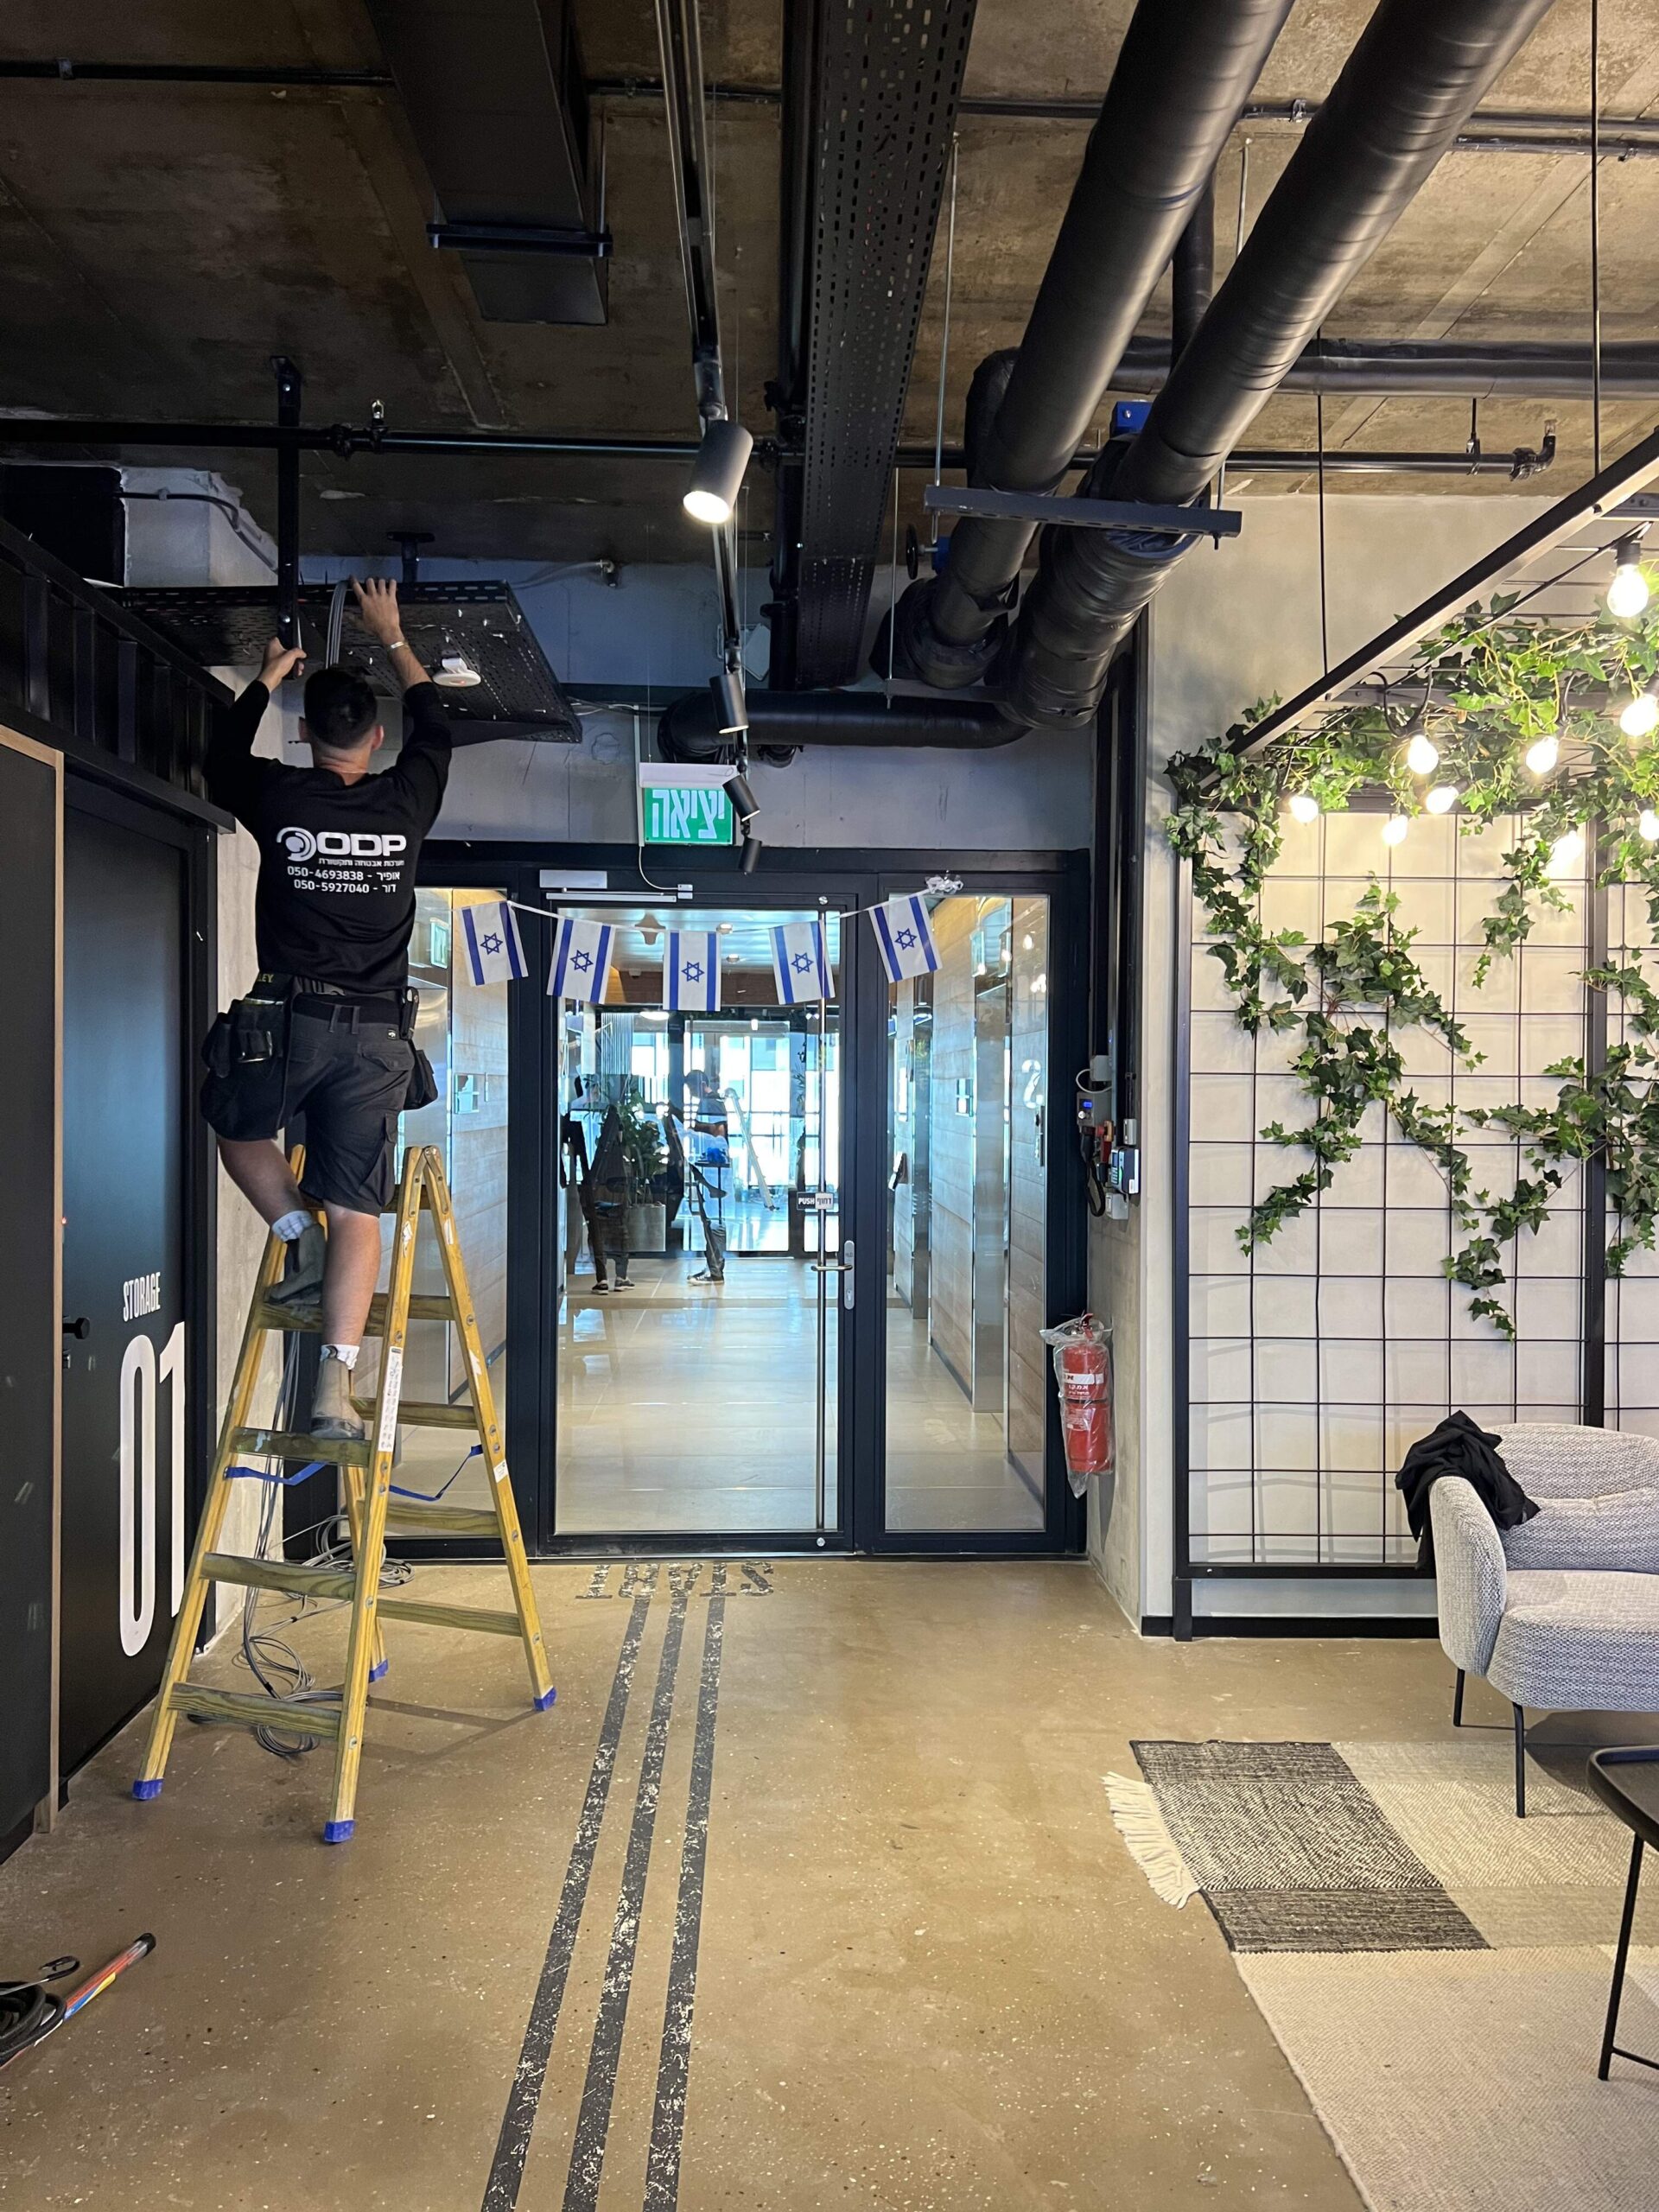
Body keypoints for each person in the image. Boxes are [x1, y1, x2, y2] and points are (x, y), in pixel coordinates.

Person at [200, 578, 450, 1440]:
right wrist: (393, 635)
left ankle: (294, 1233)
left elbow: (219, 758)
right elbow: (436, 726)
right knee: (359, 1212)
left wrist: (271, 673)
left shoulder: (281, 798)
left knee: (237, 1128)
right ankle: (332, 1391)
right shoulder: (405, 801)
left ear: (306, 735)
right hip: (379, 1035)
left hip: (291, 1025)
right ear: (375, 738)